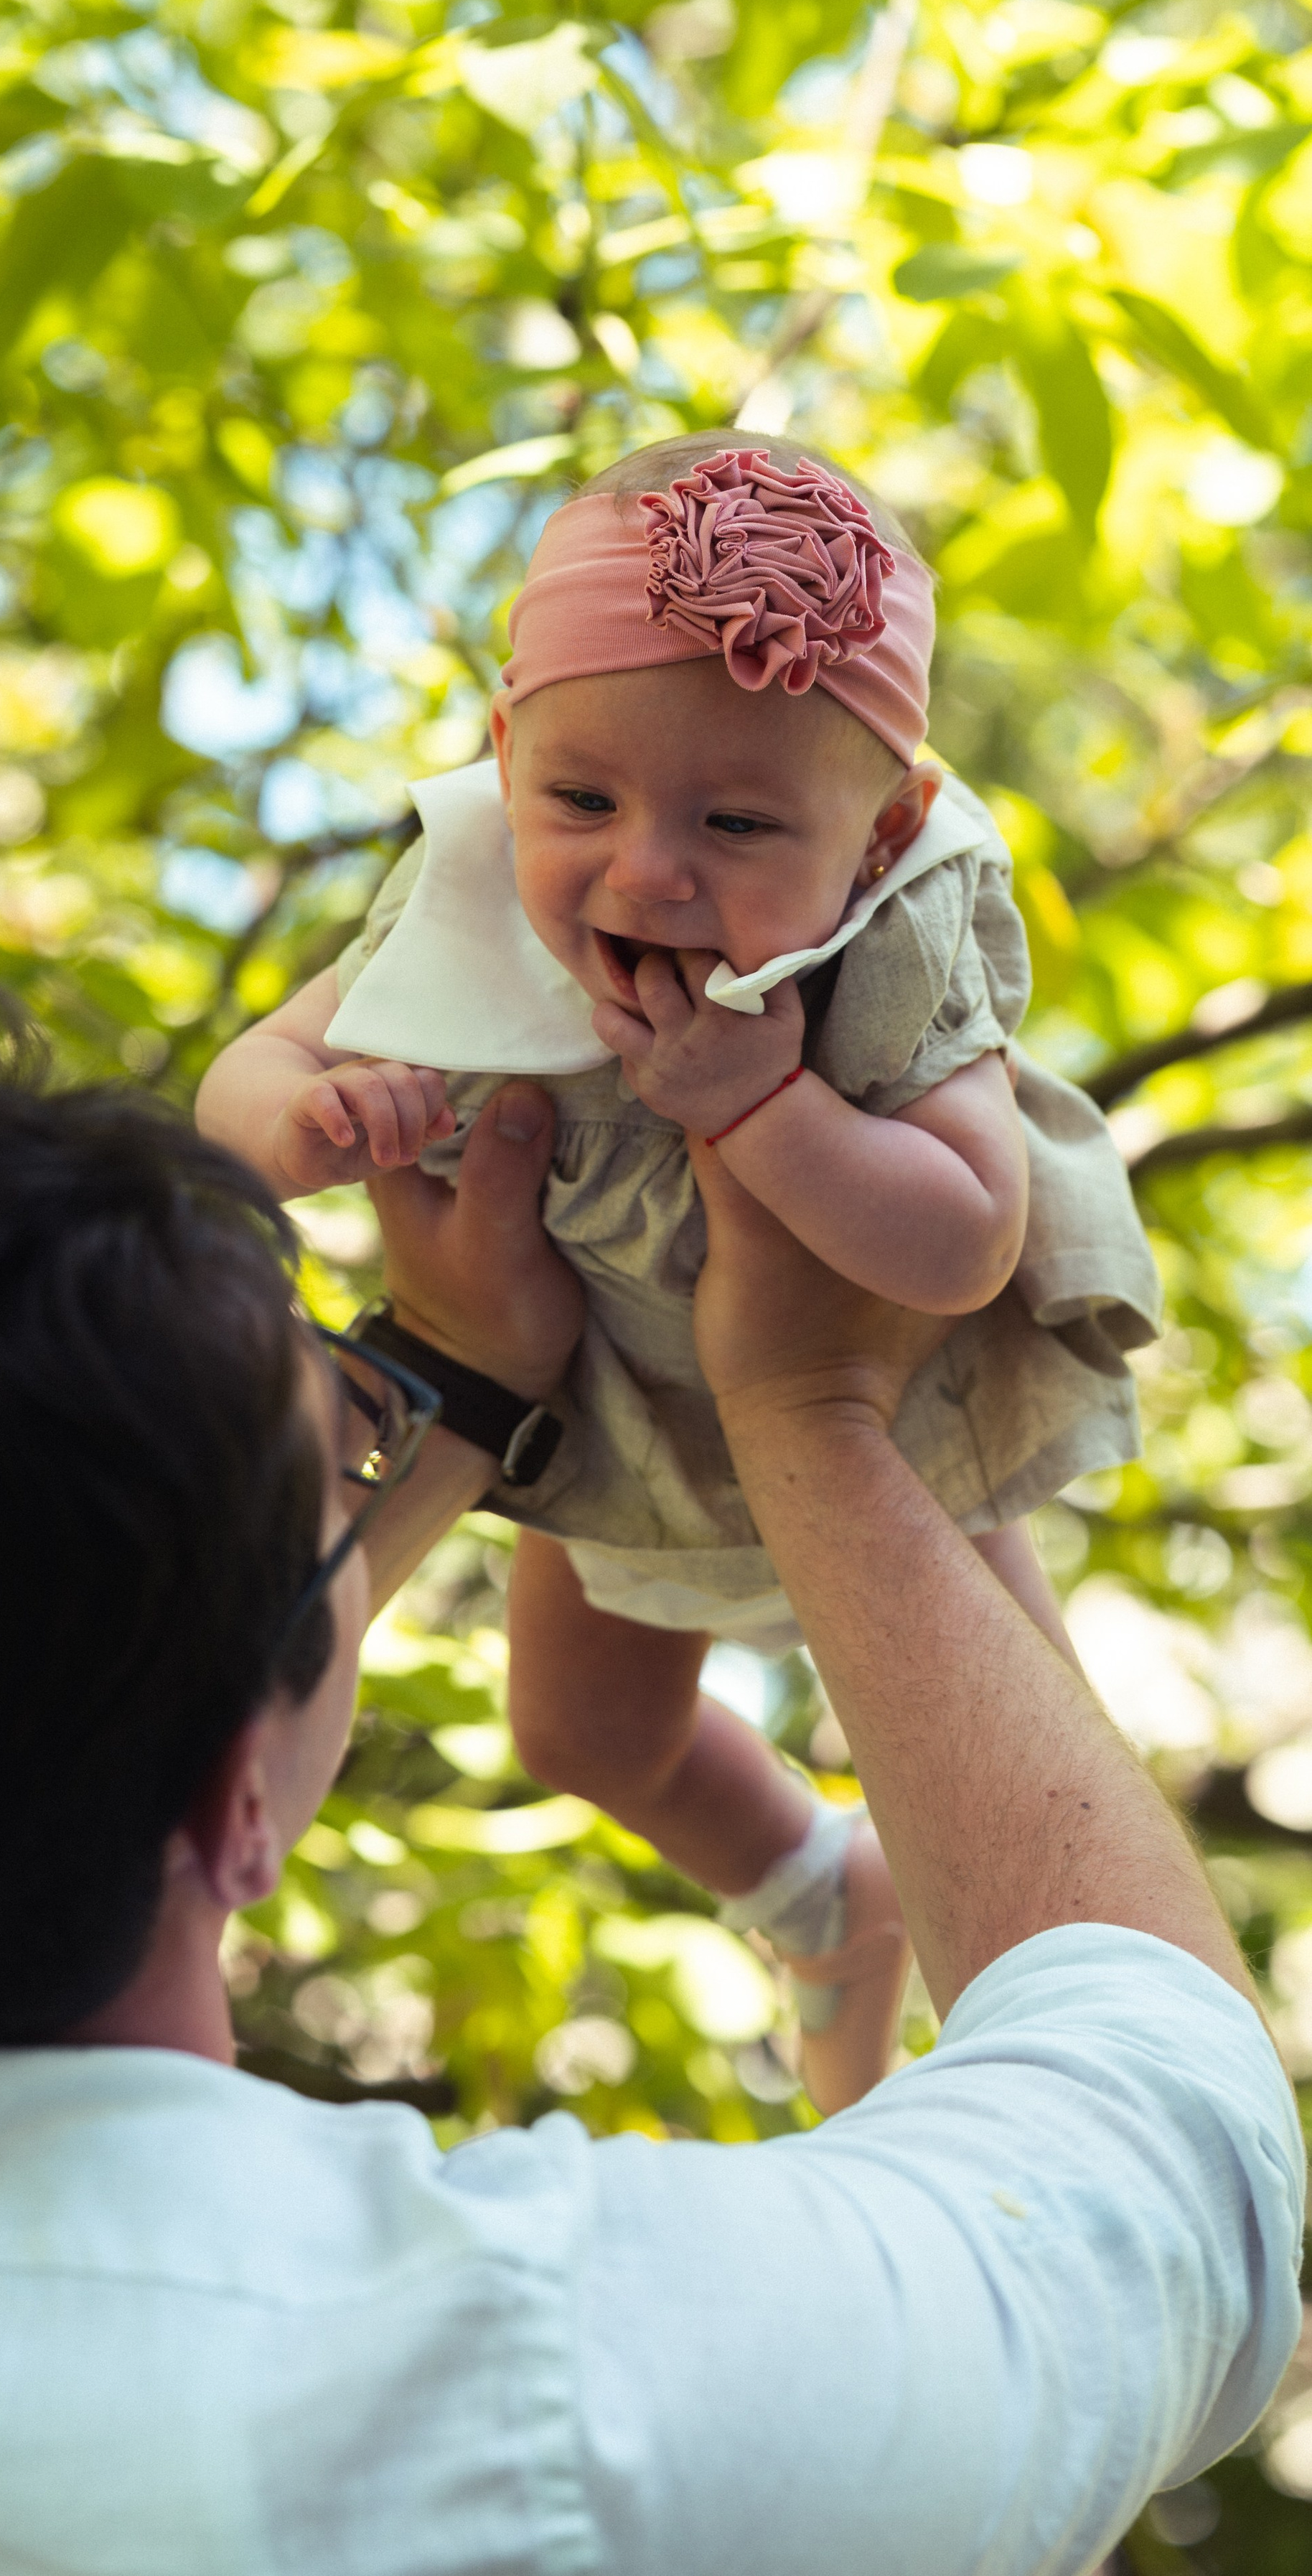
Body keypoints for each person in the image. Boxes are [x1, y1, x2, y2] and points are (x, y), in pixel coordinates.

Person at [0, 1008, 1298, 2576]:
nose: (368, 1473)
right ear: (231, 1809)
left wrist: (456, 1376)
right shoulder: (531, 2406)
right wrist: (812, 1406)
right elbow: (1178, 2147)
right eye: (342, 1454)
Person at [197, 434, 1160, 2110]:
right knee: (579, 1734)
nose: (647, 870)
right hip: (615, 1414)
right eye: (581, 802)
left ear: (881, 829)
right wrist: (308, 1120)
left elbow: (961, 1237)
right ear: (504, 755)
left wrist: (767, 1110)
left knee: (1011, 1763)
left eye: (735, 821)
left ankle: (1087, 2051)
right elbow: (243, 1084)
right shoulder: (466, 894)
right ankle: (820, 1893)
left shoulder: (899, 933)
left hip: (892, 1430)